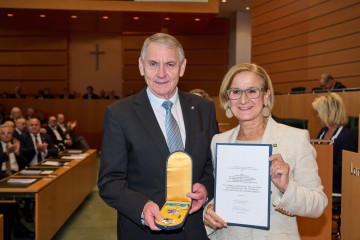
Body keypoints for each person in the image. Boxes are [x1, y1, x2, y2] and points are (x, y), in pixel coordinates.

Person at [98, 32, 218, 240]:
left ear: (182, 67)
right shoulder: (119, 114)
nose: (161, 73)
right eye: (153, 64)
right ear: (141, 66)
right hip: (144, 232)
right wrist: (142, 207)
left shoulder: (204, 109)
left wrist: (206, 189)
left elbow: (213, 165)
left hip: (196, 230)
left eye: (170, 64)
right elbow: (110, 182)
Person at [203, 63, 327, 240]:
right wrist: (208, 211)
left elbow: (318, 204)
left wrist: (286, 188)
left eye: (252, 91)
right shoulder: (219, 142)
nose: (243, 100)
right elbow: (218, 193)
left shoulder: (295, 139)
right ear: (228, 98)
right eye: (236, 92)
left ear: (266, 95)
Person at [312, 93, 356, 198]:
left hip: (335, 187)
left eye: (320, 112)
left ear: (329, 113)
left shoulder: (346, 137)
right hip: (321, 181)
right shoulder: (323, 131)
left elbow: (343, 171)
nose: (318, 115)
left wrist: (319, 164)